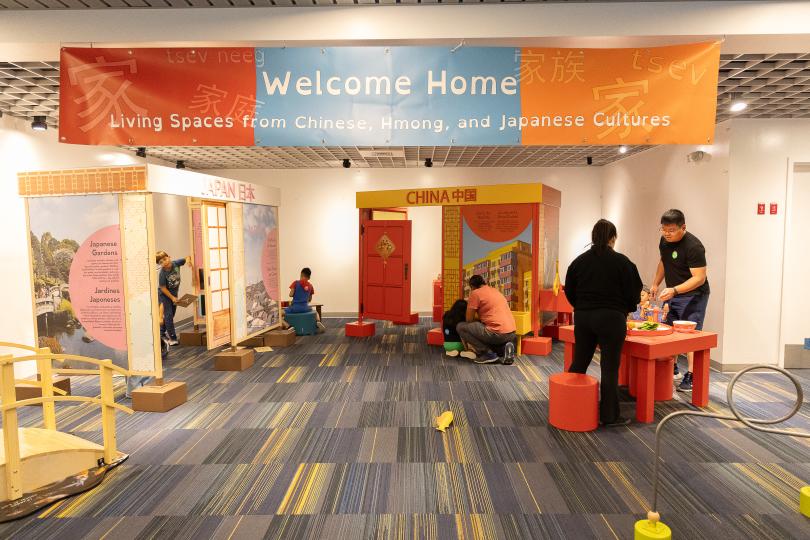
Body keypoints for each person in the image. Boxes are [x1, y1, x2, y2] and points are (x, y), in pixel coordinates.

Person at [565, 219, 642, 427]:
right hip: (612, 318)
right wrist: (626, 309)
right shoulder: (623, 262)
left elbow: (570, 291)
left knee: (580, 361)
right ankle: (609, 416)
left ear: (593, 237)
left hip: (583, 317)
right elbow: (634, 293)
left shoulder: (578, 262)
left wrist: (581, 307)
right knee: (609, 367)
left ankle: (570, 405)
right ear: (613, 238)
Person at [650, 209, 709, 392]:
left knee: (690, 337)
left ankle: (692, 375)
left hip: (693, 295)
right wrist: (655, 283)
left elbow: (699, 278)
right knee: (668, 331)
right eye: (663, 229)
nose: (666, 234)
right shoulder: (664, 241)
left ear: (683, 227)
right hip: (672, 293)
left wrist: (675, 290)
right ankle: (671, 367)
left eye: (671, 230)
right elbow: (663, 262)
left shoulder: (693, 246)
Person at [456, 274, 517, 365]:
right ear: (483, 282)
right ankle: (505, 348)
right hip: (512, 333)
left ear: (472, 286)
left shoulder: (475, 293)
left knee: (461, 327)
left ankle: (487, 354)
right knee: (487, 331)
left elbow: (469, 319)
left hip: (497, 334)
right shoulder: (495, 290)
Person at [156, 251, 192, 346]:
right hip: (165, 294)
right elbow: (163, 288)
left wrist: (188, 261)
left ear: (169, 257)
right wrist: (172, 297)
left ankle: (161, 333)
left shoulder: (176, 263)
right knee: (168, 316)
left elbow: (187, 256)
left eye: (165, 259)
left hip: (173, 294)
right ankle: (173, 338)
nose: (164, 262)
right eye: (161, 262)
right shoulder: (162, 273)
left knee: (171, 315)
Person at [284, 267, 325, 332]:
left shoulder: (295, 283)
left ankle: (288, 326)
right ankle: (318, 321)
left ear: (301, 275)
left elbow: (290, 295)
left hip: (295, 308)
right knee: (315, 312)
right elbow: (309, 299)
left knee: (279, 314)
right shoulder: (310, 286)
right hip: (306, 308)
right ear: (309, 277)